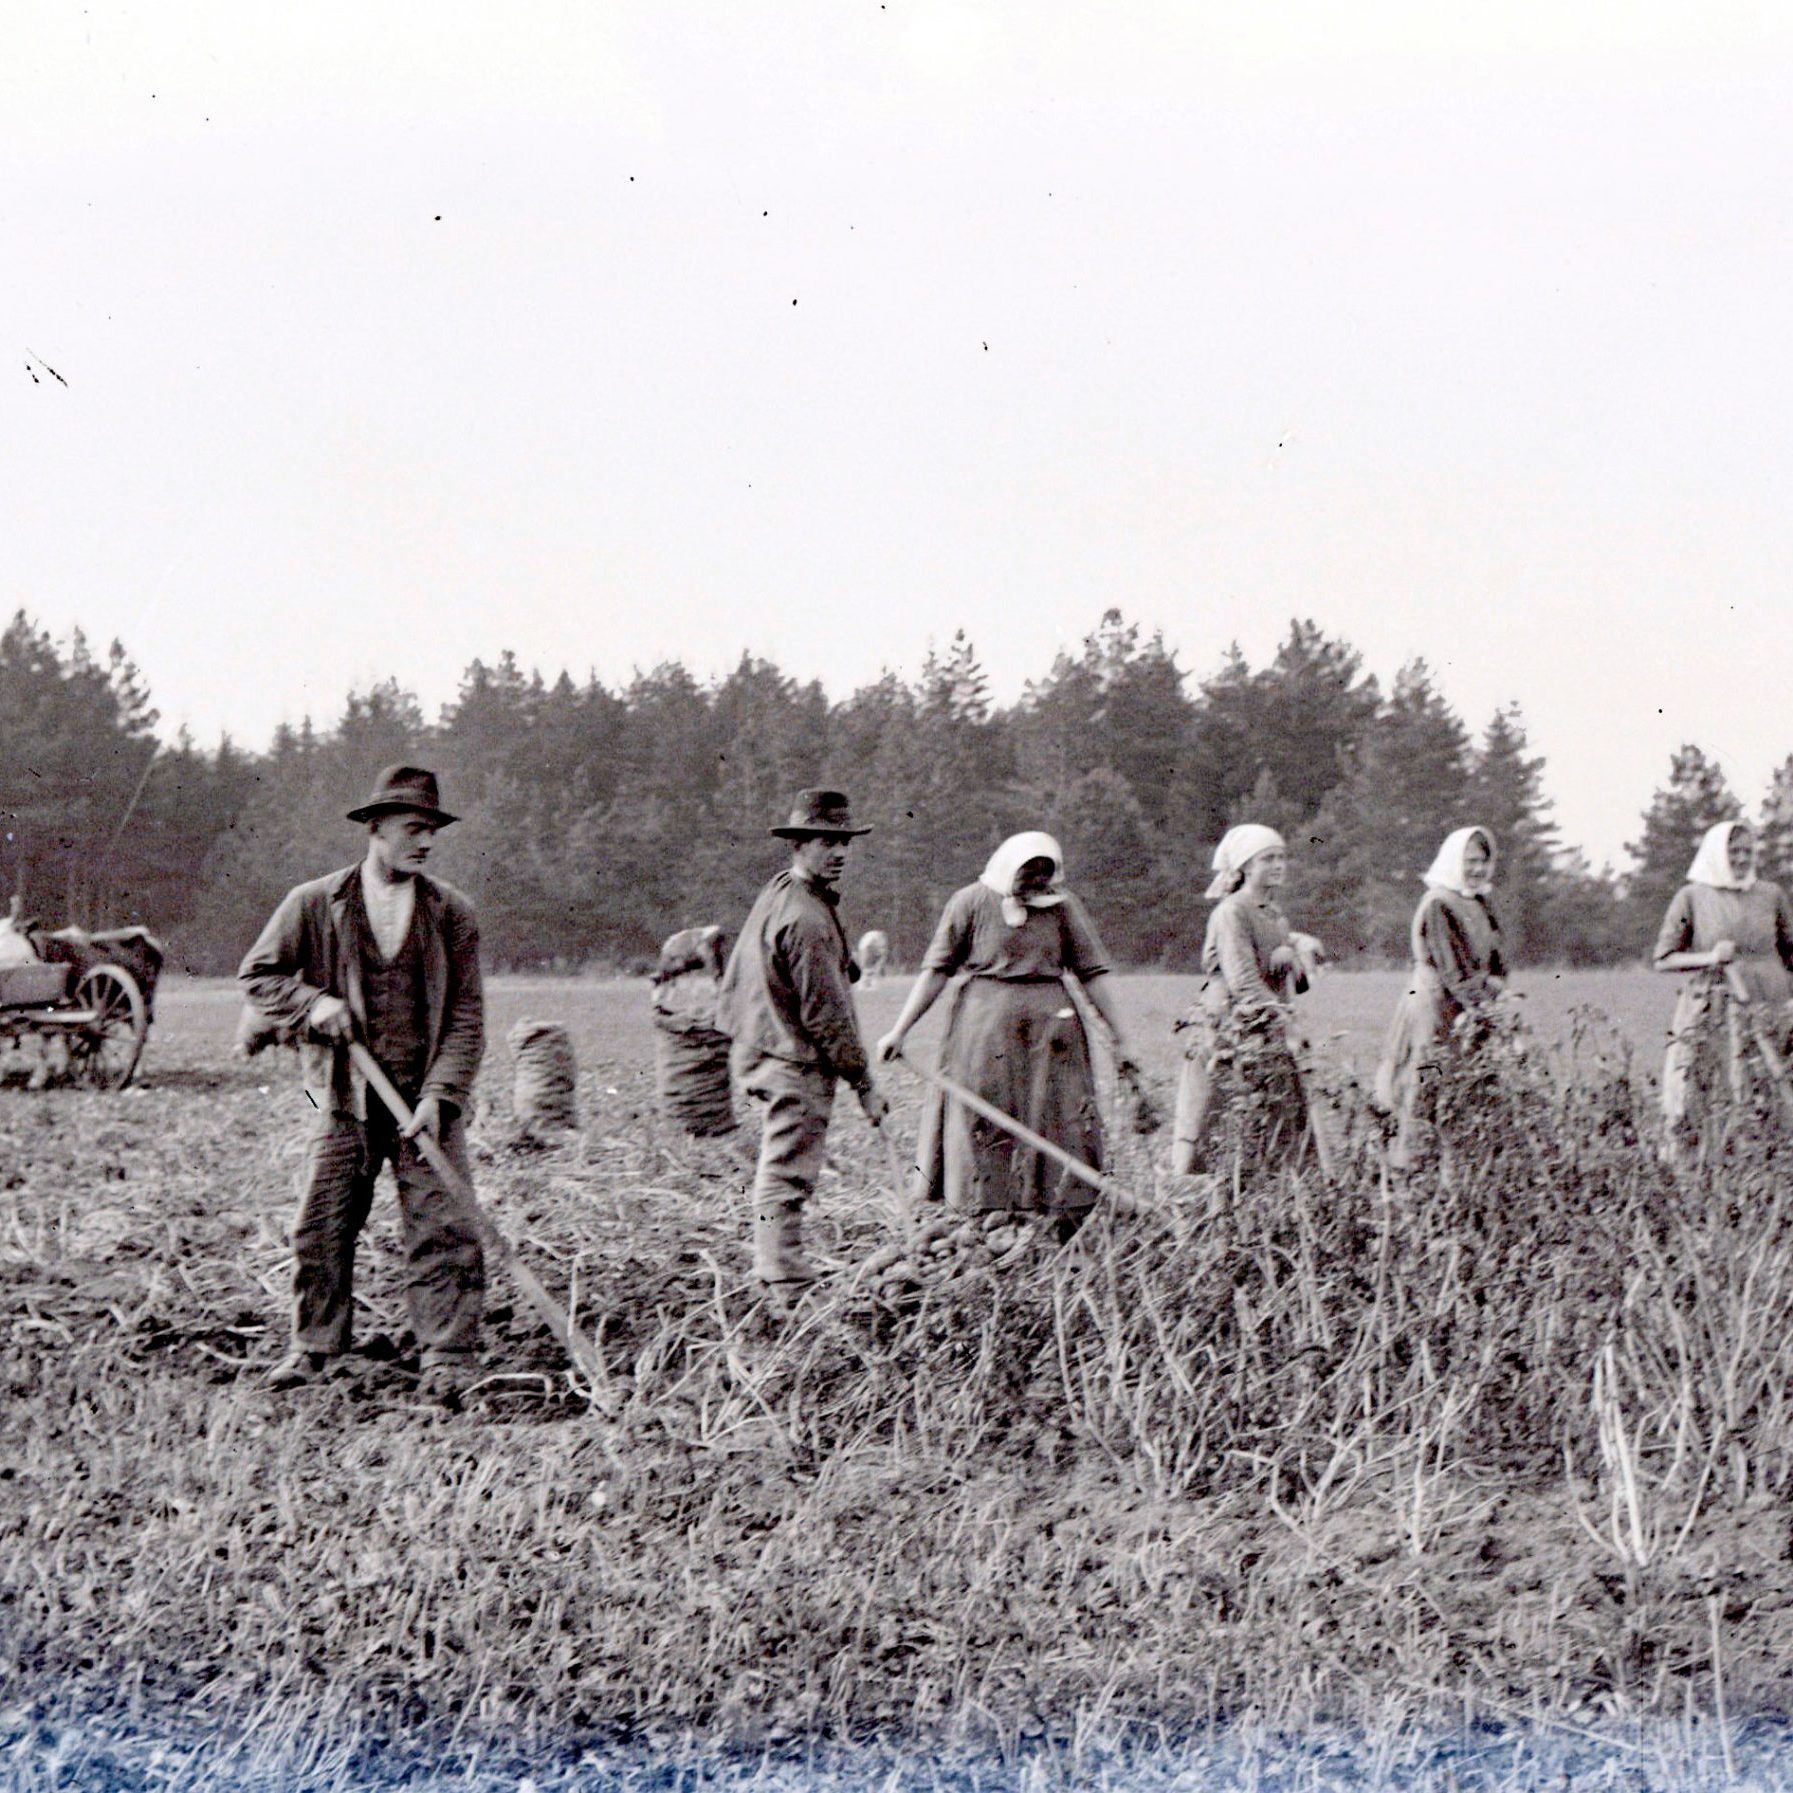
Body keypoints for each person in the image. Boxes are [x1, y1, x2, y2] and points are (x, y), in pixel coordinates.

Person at [239, 765, 486, 1398]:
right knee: (323, 1223)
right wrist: (312, 1004)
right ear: (375, 828)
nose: (425, 841)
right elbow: (259, 976)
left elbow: (466, 1015)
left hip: (425, 1099)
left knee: (444, 1227)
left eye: (432, 830)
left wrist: (441, 1096)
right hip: (342, 1094)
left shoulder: (452, 913)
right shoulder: (314, 903)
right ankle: (316, 1348)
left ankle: (447, 1355)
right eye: (413, 828)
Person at [875, 832, 1139, 1227]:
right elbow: (937, 971)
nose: (1035, 881)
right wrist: (899, 1031)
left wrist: (1122, 1037)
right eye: (1027, 872)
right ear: (1006, 867)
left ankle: (1060, 1208)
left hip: (1052, 1032)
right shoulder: (969, 902)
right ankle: (985, 1210)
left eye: (1043, 874)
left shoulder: (1063, 907)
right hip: (984, 1031)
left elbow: (1092, 974)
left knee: (1058, 1112)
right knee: (983, 1111)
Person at [716, 790, 890, 1290]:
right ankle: (782, 1276)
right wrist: (864, 1084)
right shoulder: (806, 918)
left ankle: (776, 1266)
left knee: (781, 1162)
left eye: (844, 842)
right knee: (787, 1170)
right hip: (789, 1053)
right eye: (825, 842)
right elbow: (828, 1016)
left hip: (760, 1041)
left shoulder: (789, 889)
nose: (839, 852)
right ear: (798, 844)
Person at [1171, 824, 1326, 1177]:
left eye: (1282, 857)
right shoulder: (1232, 912)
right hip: (1235, 1026)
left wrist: (1296, 949)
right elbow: (1242, 980)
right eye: (1267, 859)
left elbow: (1282, 969)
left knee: (1275, 1117)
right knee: (1232, 1118)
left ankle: (1273, 1188)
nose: (1278, 865)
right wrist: (1284, 1023)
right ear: (1244, 867)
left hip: (1268, 1022)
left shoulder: (1273, 913)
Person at [1652, 819, 1793, 1150]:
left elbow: (1791, 953)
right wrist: (1710, 957)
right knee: (1717, 1085)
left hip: (1769, 1002)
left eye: (1747, 851)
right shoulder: (1692, 896)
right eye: (1733, 851)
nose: (1742, 859)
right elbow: (1663, 958)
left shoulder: (1770, 895)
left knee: (1773, 1084)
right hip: (1716, 1003)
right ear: (1716, 853)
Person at [1372, 826, 1507, 1171]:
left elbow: (1497, 960)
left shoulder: (1479, 901)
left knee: (1465, 1081)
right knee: (1425, 1077)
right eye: (1470, 861)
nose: (1478, 869)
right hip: (1435, 1003)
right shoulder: (1439, 903)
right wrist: (1483, 1007)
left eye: (1483, 861)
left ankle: (1456, 1165)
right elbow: (1453, 969)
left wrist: (1494, 988)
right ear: (1453, 860)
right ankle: (1410, 1163)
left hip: (1468, 1002)